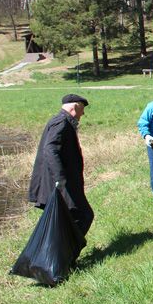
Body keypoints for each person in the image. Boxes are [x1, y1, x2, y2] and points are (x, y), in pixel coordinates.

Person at [27, 94, 94, 235]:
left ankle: (64, 254)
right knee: (83, 216)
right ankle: (67, 254)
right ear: (75, 107)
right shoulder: (61, 122)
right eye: (82, 109)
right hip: (60, 185)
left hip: (61, 184)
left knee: (66, 222)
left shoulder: (61, 121)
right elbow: (50, 150)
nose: (83, 113)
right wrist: (61, 180)